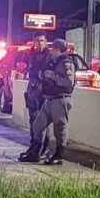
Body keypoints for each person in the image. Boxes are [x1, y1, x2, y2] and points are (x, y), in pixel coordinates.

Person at [30, 37, 77, 165]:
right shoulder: (53, 61)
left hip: (60, 100)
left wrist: (54, 76)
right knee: (37, 125)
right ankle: (36, 151)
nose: (51, 51)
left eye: (53, 49)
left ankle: (59, 155)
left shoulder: (66, 63)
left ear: (58, 49)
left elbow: (69, 83)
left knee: (59, 129)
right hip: (49, 99)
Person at [17, 35, 51, 162]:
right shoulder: (30, 55)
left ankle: (42, 150)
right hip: (32, 92)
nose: (40, 43)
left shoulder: (50, 56)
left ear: (46, 42)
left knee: (43, 123)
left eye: (42, 40)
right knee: (33, 121)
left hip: (44, 93)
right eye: (37, 41)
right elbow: (25, 69)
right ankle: (33, 148)